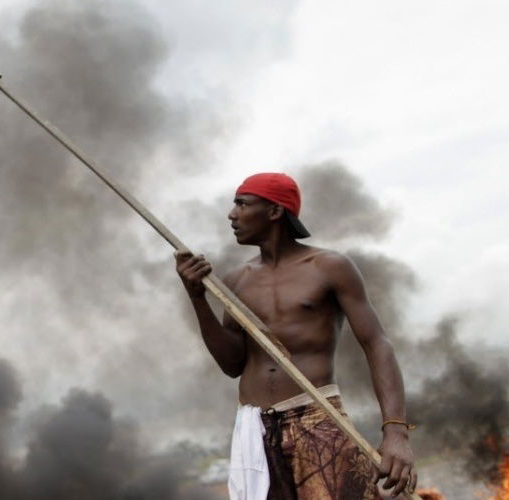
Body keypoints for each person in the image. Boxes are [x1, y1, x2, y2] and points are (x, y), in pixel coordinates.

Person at [174, 173, 416, 499]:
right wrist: (197, 298)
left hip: (317, 420)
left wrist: (396, 432)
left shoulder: (328, 266)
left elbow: (376, 345)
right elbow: (232, 365)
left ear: (274, 212)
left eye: (242, 204)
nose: (232, 215)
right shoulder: (236, 280)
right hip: (254, 431)